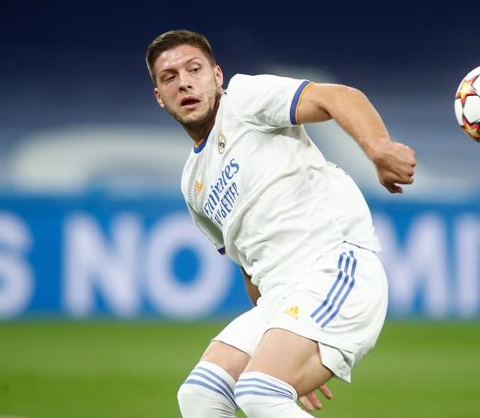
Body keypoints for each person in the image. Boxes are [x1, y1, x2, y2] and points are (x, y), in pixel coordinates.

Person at [146, 29, 416, 417]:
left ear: (217, 76)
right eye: (169, 77)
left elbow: (339, 97)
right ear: (160, 96)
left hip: (334, 267)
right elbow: (248, 265)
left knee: (259, 392)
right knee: (201, 395)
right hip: (281, 299)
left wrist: (378, 148)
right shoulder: (193, 184)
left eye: (194, 69)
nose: (184, 81)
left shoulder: (242, 102)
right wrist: (285, 345)